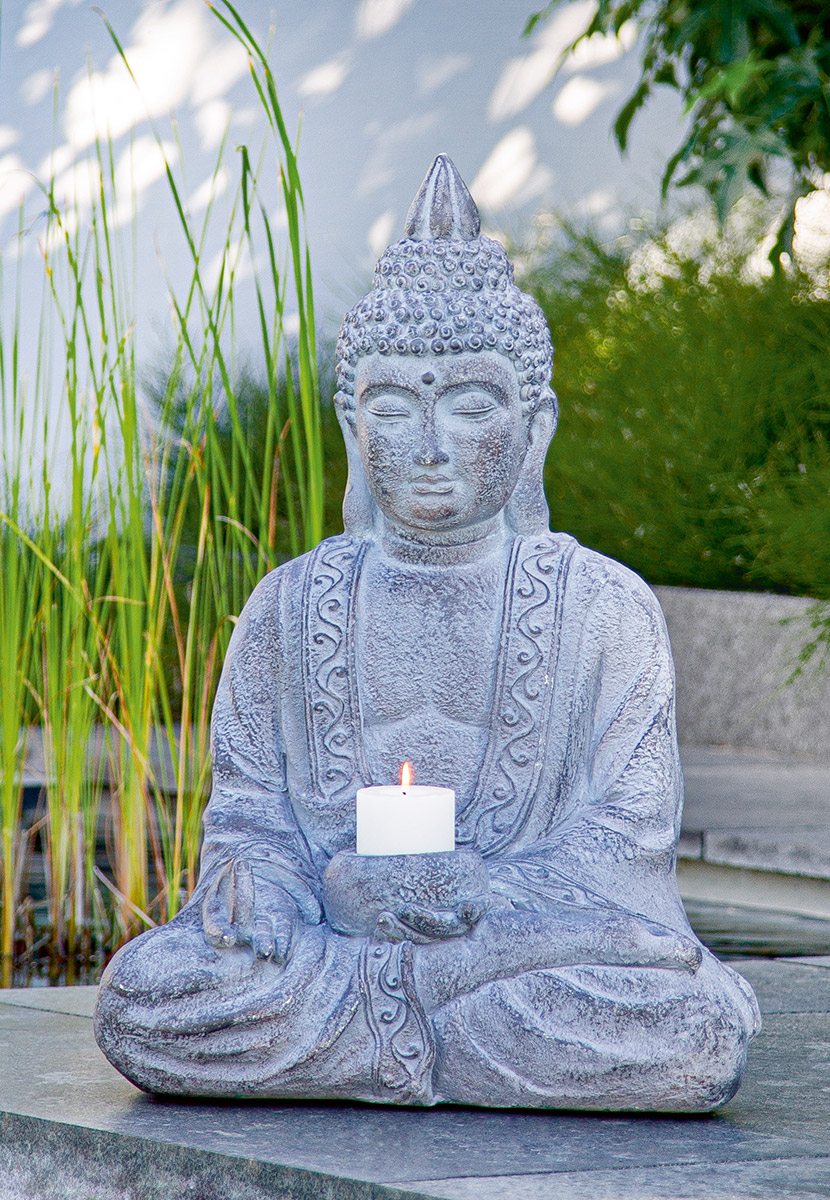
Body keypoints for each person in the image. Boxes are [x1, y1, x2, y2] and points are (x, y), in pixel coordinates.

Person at [94, 156, 759, 1110]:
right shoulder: (290, 606)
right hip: (357, 956)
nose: (431, 444)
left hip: (512, 954)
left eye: (472, 404)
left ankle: (382, 1035)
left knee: (687, 1028)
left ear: (535, 427)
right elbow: (248, 823)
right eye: (395, 406)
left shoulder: (603, 609)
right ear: (352, 422)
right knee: (144, 1001)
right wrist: (274, 893)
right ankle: (435, 1021)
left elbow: (623, 850)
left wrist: (478, 893)